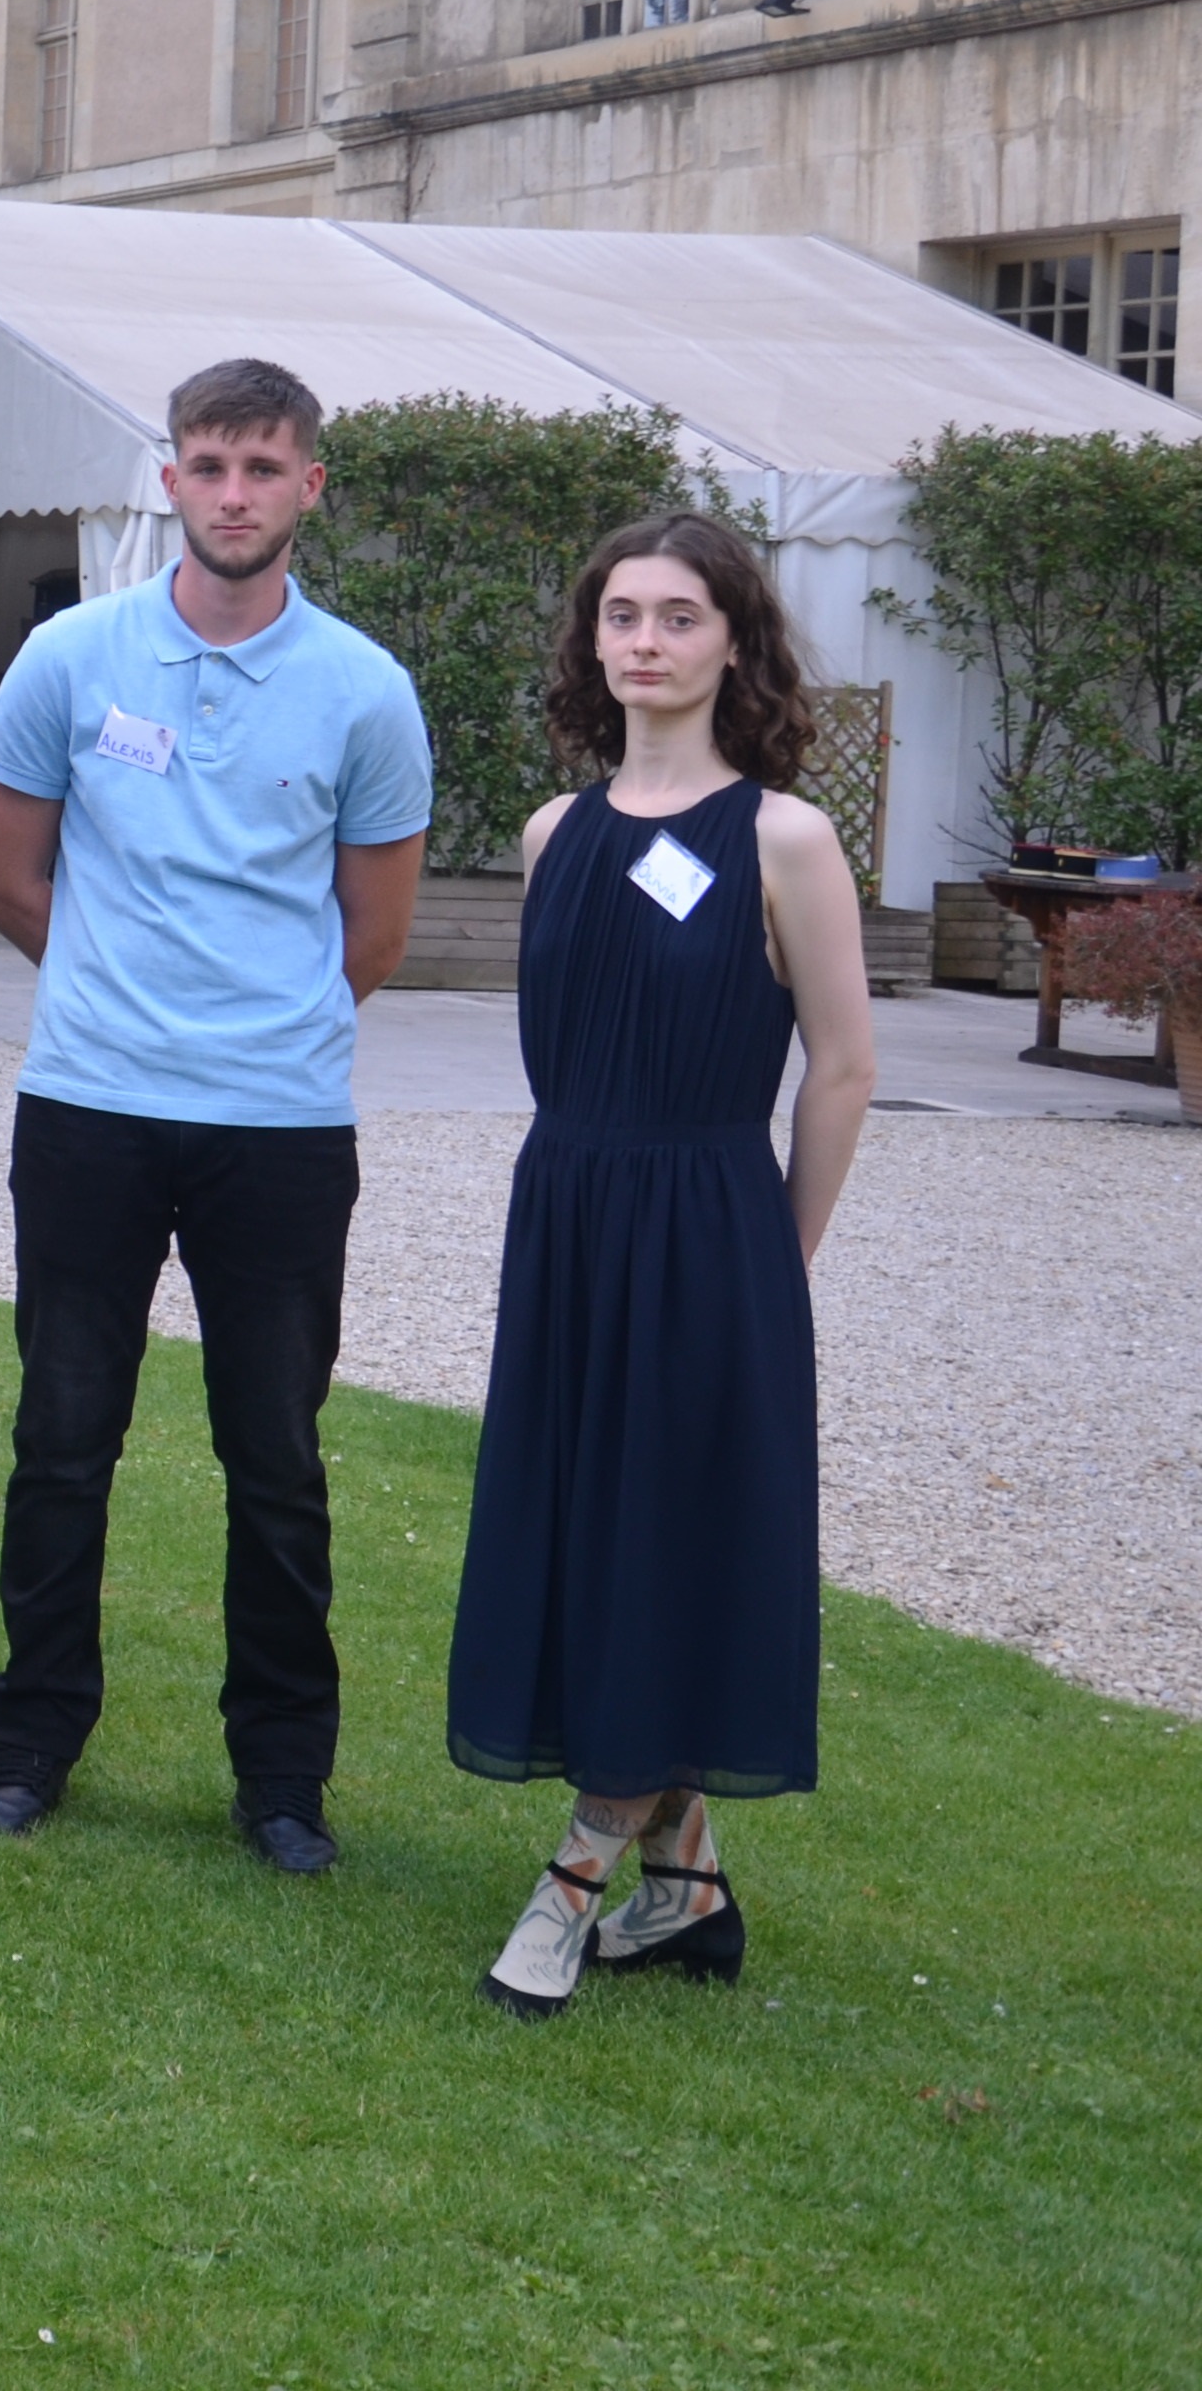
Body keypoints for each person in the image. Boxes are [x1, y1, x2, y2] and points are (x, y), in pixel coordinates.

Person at [0, 357, 432, 1875]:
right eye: (209, 465)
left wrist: (251, 1029)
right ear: (166, 479)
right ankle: (32, 1741)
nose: (234, 494)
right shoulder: (70, 659)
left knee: (277, 1460)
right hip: (90, 1106)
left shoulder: (366, 689)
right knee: (60, 1439)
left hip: (279, 1131)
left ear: (311, 488)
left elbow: (373, 936)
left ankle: (282, 1781)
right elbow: (3, 880)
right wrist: (121, 997)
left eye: (264, 467)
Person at [452, 512, 872, 2016]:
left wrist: (779, 1261)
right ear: (594, 645)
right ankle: (683, 1884)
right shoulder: (554, 836)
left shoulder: (785, 838)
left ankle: (574, 1880)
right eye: (621, 615)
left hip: (710, 1236)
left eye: (679, 616)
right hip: (566, 1215)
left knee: (669, 1540)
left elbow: (841, 1069)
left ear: (734, 644)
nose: (644, 640)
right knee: (591, 1541)